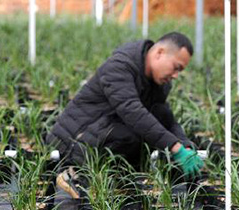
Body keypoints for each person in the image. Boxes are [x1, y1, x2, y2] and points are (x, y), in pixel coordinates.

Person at [47, 32, 203, 198]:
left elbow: (165, 118)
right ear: (160, 53)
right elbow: (131, 111)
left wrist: (185, 145)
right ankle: (74, 173)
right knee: (135, 131)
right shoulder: (120, 66)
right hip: (77, 138)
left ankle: (121, 177)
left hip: (106, 128)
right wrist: (175, 147)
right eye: (176, 67)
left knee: (159, 116)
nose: (175, 75)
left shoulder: (158, 83)